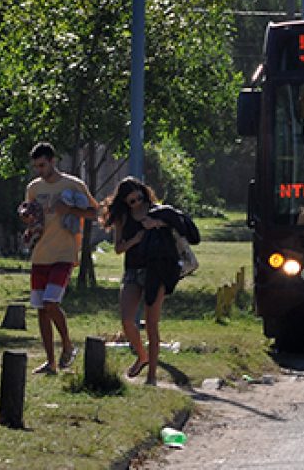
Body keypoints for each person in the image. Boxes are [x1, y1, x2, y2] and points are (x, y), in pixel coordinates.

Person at [21, 142, 98, 375]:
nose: (40, 170)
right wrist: (27, 223)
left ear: (53, 161)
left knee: (51, 303)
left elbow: (94, 212)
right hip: (40, 255)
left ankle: (67, 345)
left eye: (43, 165)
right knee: (41, 309)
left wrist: (70, 210)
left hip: (64, 254)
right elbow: (31, 215)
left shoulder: (73, 184)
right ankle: (50, 362)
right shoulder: (34, 187)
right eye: (36, 166)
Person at [104, 177, 189, 386]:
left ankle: (151, 377)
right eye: (132, 201)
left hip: (156, 270)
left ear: (144, 193)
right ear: (124, 201)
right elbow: (118, 248)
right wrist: (135, 240)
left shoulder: (156, 211)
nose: (137, 204)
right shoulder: (123, 218)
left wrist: (157, 223)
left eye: (139, 199)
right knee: (127, 320)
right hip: (133, 271)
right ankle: (142, 356)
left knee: (152, 323)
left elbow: (179, 226)